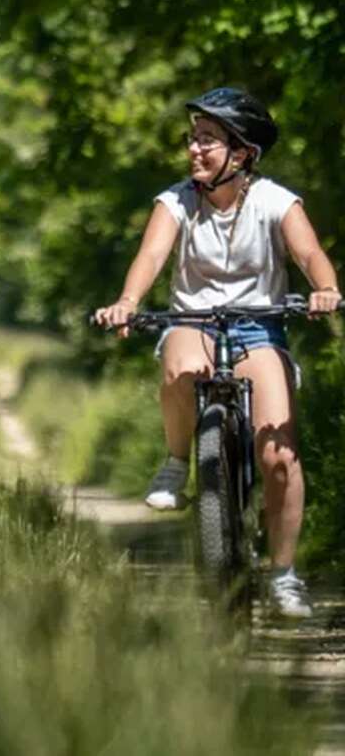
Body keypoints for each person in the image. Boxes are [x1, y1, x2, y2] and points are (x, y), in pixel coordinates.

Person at [96, 87, 341, 618]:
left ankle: (283, 573)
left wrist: (324, 288)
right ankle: (178, 460)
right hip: (194, 319)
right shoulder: (175, 202)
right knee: (181, 367)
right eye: (193, 139)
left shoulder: (277, 202)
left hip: (261, 325)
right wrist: (127, 302)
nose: (195, 150)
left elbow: (309, 254)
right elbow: (152, 255)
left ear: (243, 154)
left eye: (208, 140)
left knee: (279, 453)